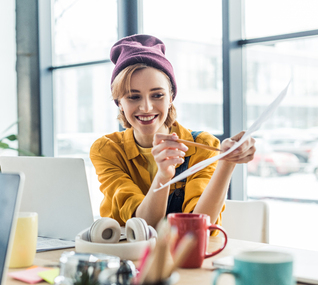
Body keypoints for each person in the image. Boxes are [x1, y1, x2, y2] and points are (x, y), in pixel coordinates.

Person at [90, 34, 256, 234]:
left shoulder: (201, 146)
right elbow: (144, 229)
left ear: (171, 98)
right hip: (126, 256)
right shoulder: (107, 149)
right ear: (119, 103)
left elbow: (198, 230)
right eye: (133, 97)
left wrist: (227, 163)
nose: (146, 107)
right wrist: (164, 175)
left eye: (157, 95)